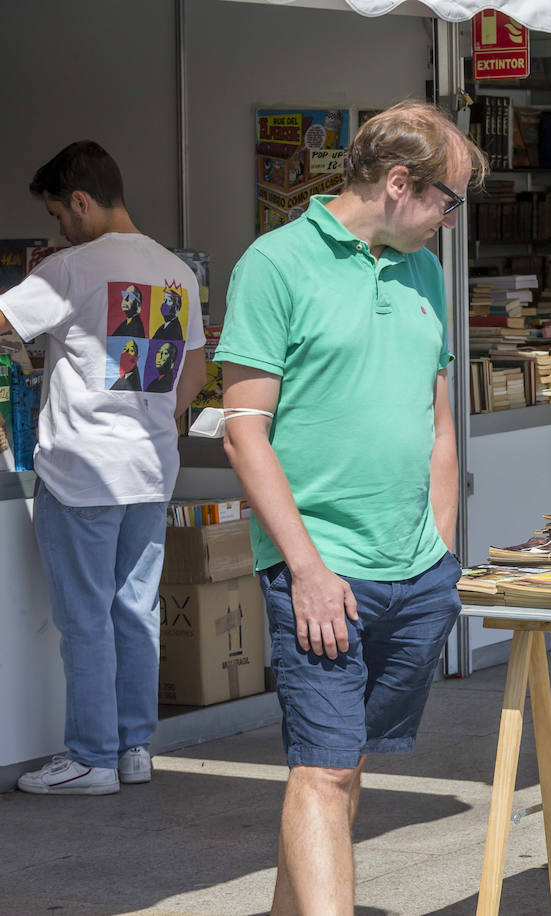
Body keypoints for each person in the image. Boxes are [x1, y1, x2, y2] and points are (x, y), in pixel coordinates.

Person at [217, 101, 480, 911]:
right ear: (400, 183)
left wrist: (439, 547)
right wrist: (304, 567)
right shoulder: (276, 263)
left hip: (414, 570)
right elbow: (242, 432)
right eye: (449, 200)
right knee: (326, 769)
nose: (450, 219)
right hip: (320, 571)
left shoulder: (423, 269)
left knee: (341, 765)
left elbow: (438, 418)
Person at [0, 141, 206, 795]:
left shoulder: (71, 268)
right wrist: (147, 419)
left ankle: (89, 758)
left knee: (85, 617)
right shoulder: (176, 271)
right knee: (134, 611)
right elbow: (195, 371)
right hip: (151, 467)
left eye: (60, 213)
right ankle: (132, 748)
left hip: (83, 469)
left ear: (81, 201)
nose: (60, 227)